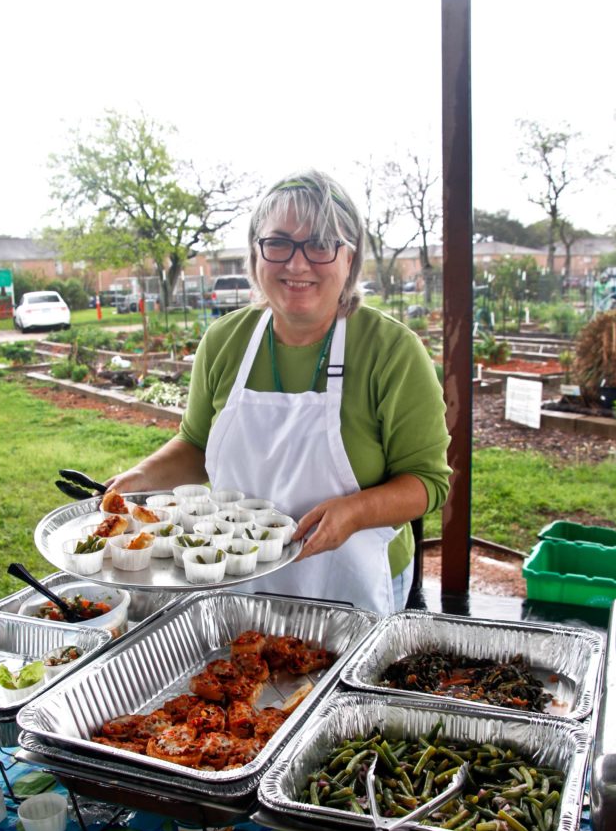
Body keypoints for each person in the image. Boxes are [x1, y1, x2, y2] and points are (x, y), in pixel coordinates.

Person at [106, 170, 451, 614]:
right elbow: (195, 444)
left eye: (321, 244)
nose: (297, 264)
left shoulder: (391, 350)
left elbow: (427, 481)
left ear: (350, 258)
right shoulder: (225, 340)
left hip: (351, 577)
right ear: (256, 255)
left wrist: (355, 513)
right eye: (279, 243)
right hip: (237, 573)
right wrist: (139, 479)